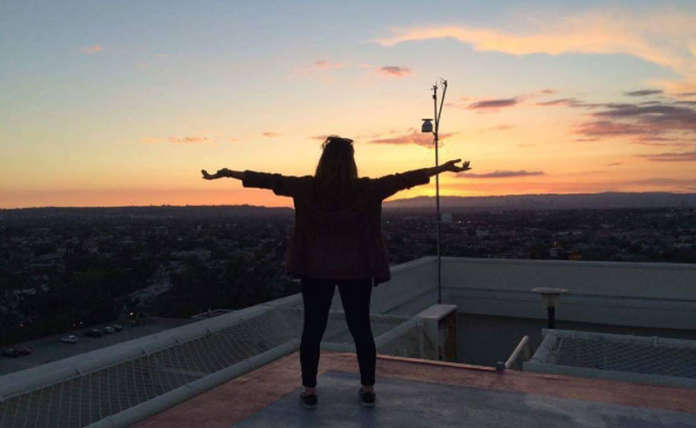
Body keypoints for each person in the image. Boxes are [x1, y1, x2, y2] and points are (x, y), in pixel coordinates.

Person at [201, 135, 471, 409]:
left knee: (312, 330)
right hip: (357, 271)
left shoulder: (307, 188)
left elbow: (271, 180)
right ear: (351, 162)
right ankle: (367, 389)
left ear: (324, 161)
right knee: (361, 329)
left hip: (315, 271)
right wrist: (443, 168)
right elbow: (404, 179)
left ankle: (309, 390)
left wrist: (228, 173)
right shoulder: (366, 189)